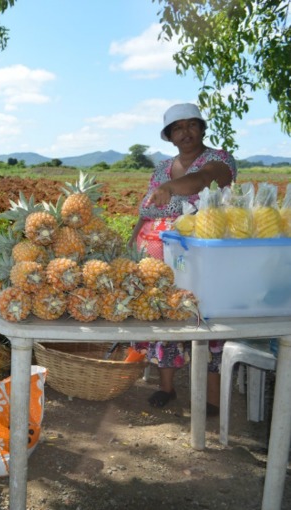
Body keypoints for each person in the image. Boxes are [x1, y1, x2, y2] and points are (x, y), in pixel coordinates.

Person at [129, 103, 237, 415]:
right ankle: (167, 387)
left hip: (200, 252)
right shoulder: (162, 168)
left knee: (205, 316)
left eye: (192, 125)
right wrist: (133, 238)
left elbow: (205, 179)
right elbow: (146, 210)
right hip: (157, 255)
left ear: (202, 129)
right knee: (166, 313)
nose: (185, 132)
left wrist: (171, 187)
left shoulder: (217, 160)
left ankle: (212, 399)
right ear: (170, 136)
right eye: (178, 128)